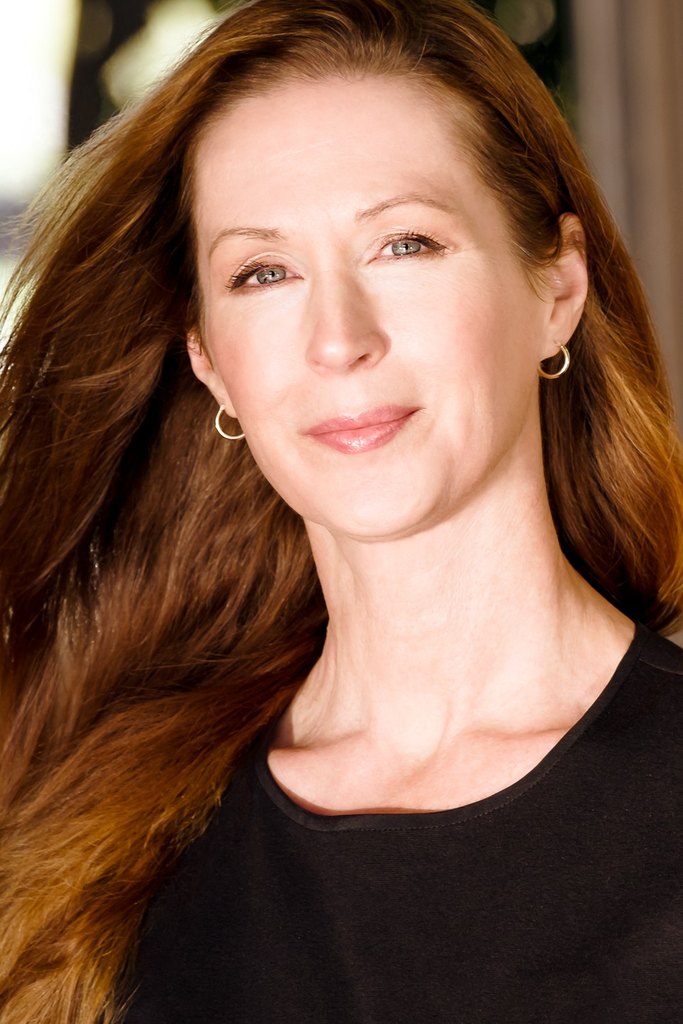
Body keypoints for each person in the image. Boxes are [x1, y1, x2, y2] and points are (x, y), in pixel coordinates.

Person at [0, 0, 681, 1020]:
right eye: (263, 272)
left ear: (556, 287)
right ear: (208, 361)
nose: (337, 339)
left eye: (403, 245)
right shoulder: (95, 846)